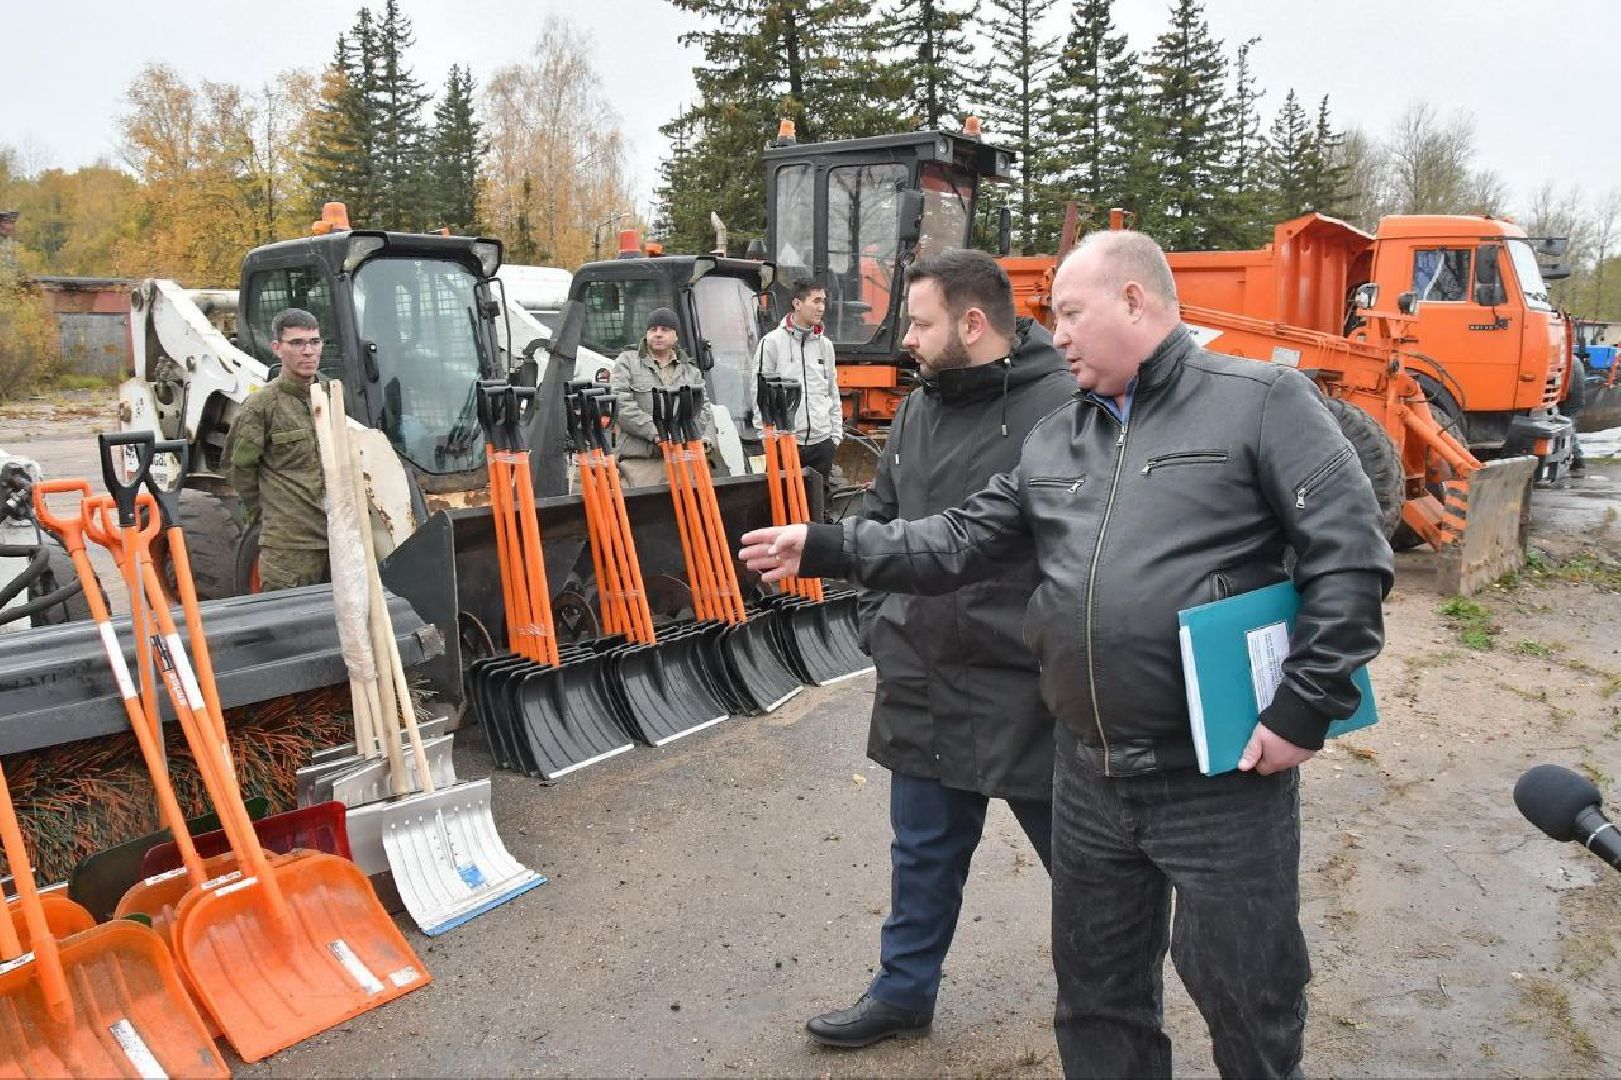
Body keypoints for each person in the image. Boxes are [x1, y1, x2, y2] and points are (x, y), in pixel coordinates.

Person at [741, 229, 1395, 1079]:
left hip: (1219, 771)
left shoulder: (1261, 401)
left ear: (1134, 300)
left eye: (1071, 313)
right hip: (1086, 771)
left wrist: (1305, 705)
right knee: (1096, 1000)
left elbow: (1348, 557)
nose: (1057, 333)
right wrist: (827, 545)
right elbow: (955, 540)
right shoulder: (1060, 438)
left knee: (1245, 988)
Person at [804, 250, 1074, 1049]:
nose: (906, 340)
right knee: (920, 854)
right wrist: (878, 621)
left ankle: (1105, 1004)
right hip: (921, 667)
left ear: (971, 323)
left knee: (1087, 866)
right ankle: (902, 993)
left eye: (919, 322)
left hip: (1024, 683)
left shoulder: (1061, 407)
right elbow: (882, 517)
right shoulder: (920, 409)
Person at [226, 308, 331, 591]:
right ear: (277, 348)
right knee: (289, 627)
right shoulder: (262, 407)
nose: (308, 351)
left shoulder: (333, 397)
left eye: (315, 342)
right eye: (297, 343)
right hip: (289, 550)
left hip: (337, 543)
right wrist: (269, 516)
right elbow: (239, 470)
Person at [609, 306, 719, 488]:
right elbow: (621, 405)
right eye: (653, 329)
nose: (658, 334)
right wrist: (657, 433)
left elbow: (703, 408)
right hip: (640, 464)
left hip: (682, 460)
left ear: (676, 336)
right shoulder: (627, 362)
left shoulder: (691, 372)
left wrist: (681, 434)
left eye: (665, 330)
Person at [751, 279, 842, 485]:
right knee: (783, 510)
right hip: (785, 442)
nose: (821, 308)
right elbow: (759, 394)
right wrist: (769, 440)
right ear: (797, 303)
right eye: (816, 301)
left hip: (822, 444)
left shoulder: (825, 346)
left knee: (818, 509)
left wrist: (834, 436)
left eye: (823, 302)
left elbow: (832, 392)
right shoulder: (771, 343)